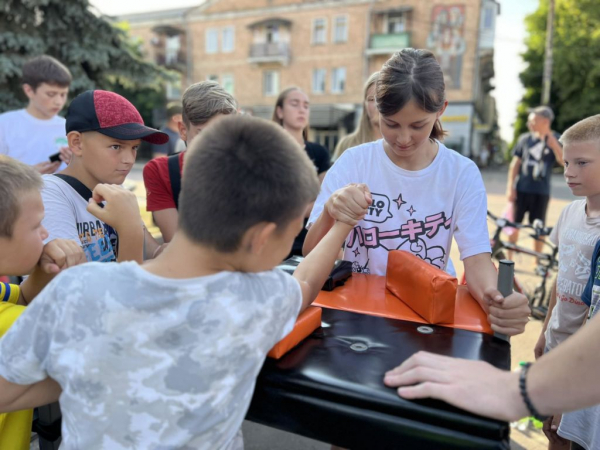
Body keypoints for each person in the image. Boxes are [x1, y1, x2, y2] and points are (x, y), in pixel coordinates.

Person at [0, 115, 361, 449]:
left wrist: (99, 369)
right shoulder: (260, 298)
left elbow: (7, 392)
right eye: (295, 228)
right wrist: (342, 224)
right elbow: (306, 282)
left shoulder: (75, 291)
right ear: (262, 238)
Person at [304, 48, 530, 336]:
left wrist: (496, 300)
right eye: (392, 124)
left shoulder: (460, 172)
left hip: (429, 313)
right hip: (360, 310)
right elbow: (312, 252)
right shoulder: (355, 162)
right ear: (376, 109)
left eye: (418, 125)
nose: (403, 138)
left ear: (441, 110)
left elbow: (476, 261)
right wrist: (329, 211)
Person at [0, 155, 85, 450]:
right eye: (37, 226)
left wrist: (41, 271)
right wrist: (126, 228)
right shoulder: (15, 326)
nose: (46, 233)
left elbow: (22, 297)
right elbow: (107, 353)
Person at [528, 114, 600, 450]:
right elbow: (562, 274)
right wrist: (544, 331)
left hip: (587, 361)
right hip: (557, 345)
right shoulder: (569, 212)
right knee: (552, 432)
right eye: (567, 161)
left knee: (579, 437)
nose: (568, 171)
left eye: (582, 163)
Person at [42, 89, 169, 263]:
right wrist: (129, 228)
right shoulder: (49, 194)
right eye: (116, 146)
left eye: (135, 148)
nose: (129, 160)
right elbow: (72, 286)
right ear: (76, 143)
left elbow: (153, 253)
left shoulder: (116, 191)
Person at [143, 81, 237, 242]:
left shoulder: (251, 169)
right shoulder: (161, 171)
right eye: (203, 135)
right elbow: (177, 245)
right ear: (183, 130)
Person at [272, 87, 331, 257]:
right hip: (275, 242)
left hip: (309, 241)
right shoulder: (266, 150)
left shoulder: (319, 153)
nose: (301, 110)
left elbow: (325, 198)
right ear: (280, 111)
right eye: (294, 104)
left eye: (306, 106)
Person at [505, 106, 564, 258]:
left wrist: (554, 145)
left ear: (545, 121)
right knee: (513, 224)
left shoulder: (557, 138)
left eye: (533, 121)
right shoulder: (525, 139)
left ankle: (537, 260)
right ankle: (509, 257)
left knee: (539, 227)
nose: (529, 124)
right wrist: (510, 188)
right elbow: (515, 164)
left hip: (541, 192)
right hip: (522, 189)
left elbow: (564, 162)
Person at [0, 55, 73, 174]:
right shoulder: (4, 125)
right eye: (51, 94)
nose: (59, 101)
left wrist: (75, 164)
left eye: (63, 94)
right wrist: (28, 174)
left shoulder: (70, 128)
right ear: (29, 90)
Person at [333, 72, 382, 161]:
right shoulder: (347, 144)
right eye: (371, 99)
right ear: (365, 105)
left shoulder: (401, 145)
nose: (377, 104)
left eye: (382, 98)